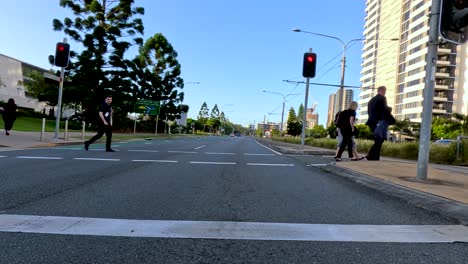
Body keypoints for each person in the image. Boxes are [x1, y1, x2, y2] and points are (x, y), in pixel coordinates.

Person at [365, 86, 394, 160]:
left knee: (378, 140)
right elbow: (384, 110)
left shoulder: (371, 101)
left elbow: (370, 112)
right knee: (380, 139)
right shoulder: (382, 98)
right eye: (385, 91)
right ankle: (372, 156)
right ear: (383, 91)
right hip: (381, 121)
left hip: (372, 122)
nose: (385, 93)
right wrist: (389, 109)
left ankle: (373, 156)